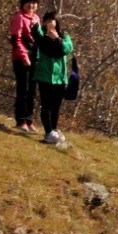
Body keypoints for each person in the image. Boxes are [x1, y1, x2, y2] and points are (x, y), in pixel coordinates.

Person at [32, 11, 75, 147]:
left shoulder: (64, 36)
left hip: (60, 78)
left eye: (52, 20)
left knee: (56, 106)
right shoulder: (41, 37)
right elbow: (36, 32)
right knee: (46, 105)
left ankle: (53, 131)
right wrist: (34, 24)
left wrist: (57, 39)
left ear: (57, 22)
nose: (50, 23)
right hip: (45, 76)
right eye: (47, 20)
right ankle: (48, 132)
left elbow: (68, 48)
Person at [9, 0, 40, 134]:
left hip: (35, 59)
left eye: (34, 3)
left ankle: (29, 120)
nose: (31, 5)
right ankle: (21, 120)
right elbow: (16, 40)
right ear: (23, 4)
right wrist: (24, 57)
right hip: (21, 59)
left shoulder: (36, 18)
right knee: (23, 90)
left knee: (32, 91)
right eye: (29, 2)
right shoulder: (19, 18)